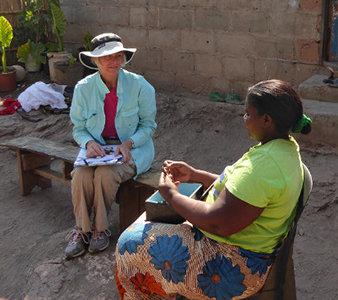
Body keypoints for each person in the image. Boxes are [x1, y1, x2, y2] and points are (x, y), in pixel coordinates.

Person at [114, 79, 312, 300]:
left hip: (233, 266)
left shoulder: (264, 165)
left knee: (129, 246)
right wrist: (195, 175)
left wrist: (171, 194)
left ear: (267, 120)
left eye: (248, 114)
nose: (245, 120)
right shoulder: (284, 149)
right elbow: (244, 193)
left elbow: (219, 223)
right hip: (247, 247)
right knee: (149, 227)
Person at [65, 33, 157, 260]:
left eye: (118, 56)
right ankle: (82, 230)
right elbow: (78, 127)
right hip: (96, 149)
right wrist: (88, 143)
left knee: (105, 174)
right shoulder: (83, 88)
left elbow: (148, 125)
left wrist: (129, 143)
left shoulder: (140, 85)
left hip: (133, 149)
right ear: (96, 61)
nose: (114, 61)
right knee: (81, 176)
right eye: (107, 57)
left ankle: (100, 229)